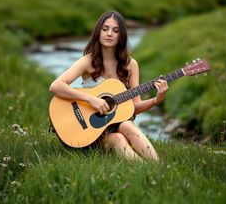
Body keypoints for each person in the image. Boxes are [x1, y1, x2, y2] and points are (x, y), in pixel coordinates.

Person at [49, 10, 168, 162]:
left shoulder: (131, 65)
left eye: (115, 30)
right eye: (105, 29)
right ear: (98, 32)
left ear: (121, 36)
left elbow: (135, 106)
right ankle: (147, 172)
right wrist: (90, 99)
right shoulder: (88, 61)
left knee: (127, 125)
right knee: (117, 139)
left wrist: (156, 100)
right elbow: (56, 86)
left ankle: (158, 169)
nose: (109, 33)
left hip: (115, 127)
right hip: (87, 134)